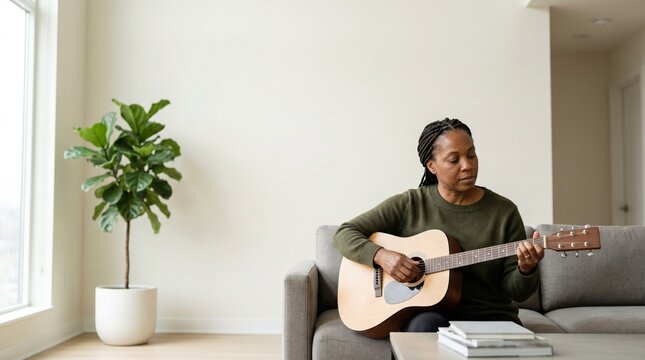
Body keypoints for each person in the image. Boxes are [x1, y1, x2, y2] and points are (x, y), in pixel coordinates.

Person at [332, 118, 544, 333]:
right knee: (421, 328)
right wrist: (382, 256)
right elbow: (344, 233)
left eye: (471, 155)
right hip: (430, 314)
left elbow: (517, 292)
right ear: (431, 166)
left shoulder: (504, 211)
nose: (468, 165)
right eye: (454, 160)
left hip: (491, 316)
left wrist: (526, 269)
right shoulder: (410, 204)